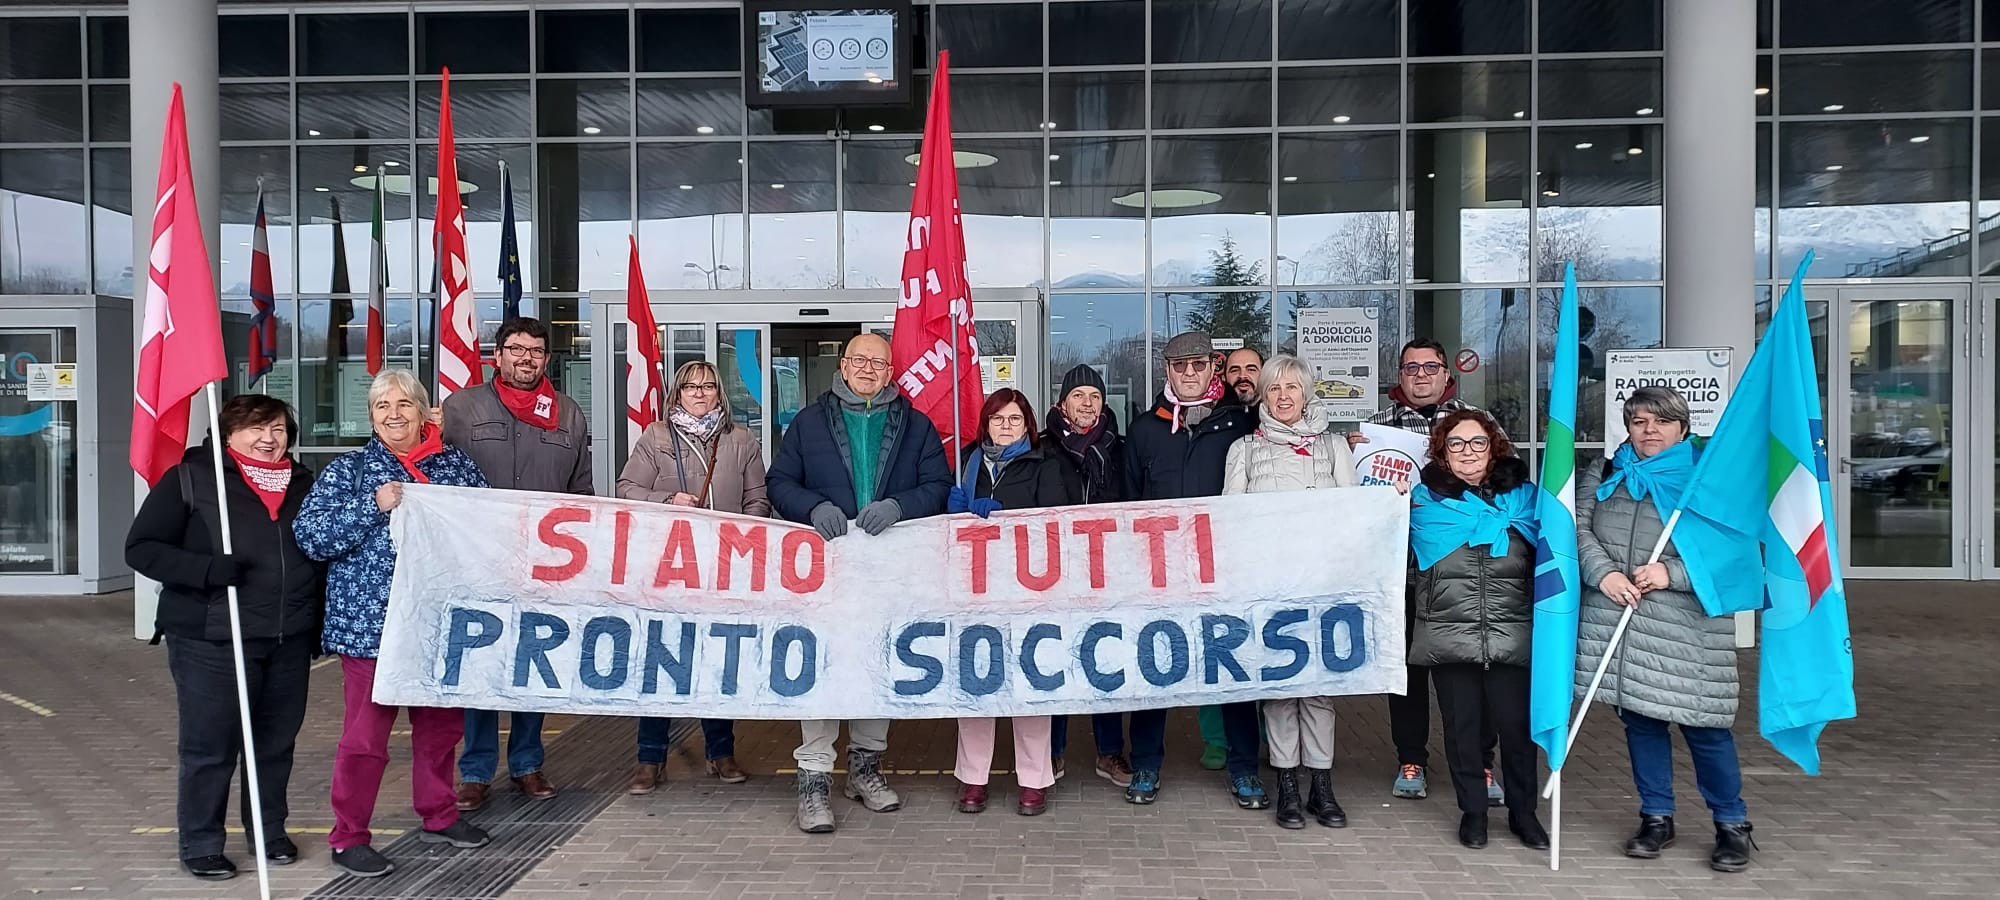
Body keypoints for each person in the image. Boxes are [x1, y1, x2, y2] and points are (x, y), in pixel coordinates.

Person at [294, 370, 493, 878]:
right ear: (372, 415)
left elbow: (488, 531)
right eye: (383, 406)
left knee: (440, 730)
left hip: (438, 625)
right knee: (365, 738)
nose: (394, 414)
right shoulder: (352, 471)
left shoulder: (456, 467)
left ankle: (439, 813)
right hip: (371, 628)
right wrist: (372, 506)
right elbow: (312, 536)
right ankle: (349, 836)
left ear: (426, 413)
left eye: (404, 404)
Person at [126, 395, 322, 881]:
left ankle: (268, 831)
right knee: (211, 745)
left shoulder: (303, 483)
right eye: (255, 428)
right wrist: (209, 570)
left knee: (274, 743)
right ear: (227, 435)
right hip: (213, 637)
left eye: (277, 428)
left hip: (287, 637)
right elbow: (142, 548)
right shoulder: (191, 479)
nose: (268, 438)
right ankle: (201, 841)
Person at [766, 332, 952, 833]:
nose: (868, 368)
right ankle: (814, 780)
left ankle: (865, 770)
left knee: (876, 665)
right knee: (825, 671)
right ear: (843, 365)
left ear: (892, 372)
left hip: (889, 575)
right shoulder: (807, 424)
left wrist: (900, 506)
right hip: (826, 576)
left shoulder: (916, 426)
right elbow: (779, 483)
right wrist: (813, 507)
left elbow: (938, 487)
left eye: (879, 362)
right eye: (859, 359)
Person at [1574, 386, 1755, 873]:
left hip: (1686, 629)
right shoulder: (1607, 472)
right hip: (1622, 621)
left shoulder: (1707, 478)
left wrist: (1670, 574)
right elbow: (1578, 529)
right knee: (1642, 723)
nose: (1648, 430)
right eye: (1638, 421)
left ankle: (1731, 823)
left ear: (1682, 427)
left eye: (1660, 422)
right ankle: (1656, 817)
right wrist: (1603, 574)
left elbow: (1733, 548)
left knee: (1705, 728)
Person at [440, 316, 591, 811]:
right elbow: (436, 477)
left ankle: (527, 763)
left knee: (535, 664)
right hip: (477, 562)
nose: (526, 358)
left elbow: (581, 490)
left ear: (547, 359)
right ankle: (476, 770)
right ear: (497, 355)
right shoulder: (461, 408)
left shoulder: (568, 413)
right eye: (516, 349)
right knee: (481, 666)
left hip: (544, 564)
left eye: (535, 351)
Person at [1348, 338, 1499, 804]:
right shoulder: (1375, 426)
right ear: (1399, 373)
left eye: (1429, 367)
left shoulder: (1477, 422)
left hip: (1461, 573)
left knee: (1473, 670)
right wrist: (1355, 456)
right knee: (1407, 670)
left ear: (1445, 372)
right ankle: (1410, 756)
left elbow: (1501, 481)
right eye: (1410, 368)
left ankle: (1481, 763)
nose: (1420, 375)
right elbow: (1359, 497)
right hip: (1400, 569)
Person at [1120, 330, 1261, 808]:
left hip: (1225, 570)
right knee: (1153, 667)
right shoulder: (1144, 429)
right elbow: (1125, 503)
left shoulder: (1241, 423)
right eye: (1179, 366)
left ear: (1212, 368)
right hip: (1159, 572)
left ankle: (1244, 769)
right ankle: (1145, 764)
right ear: (1167, 371)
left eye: (1197, 365)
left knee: (1232, 669)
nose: (1188, 373)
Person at [617, 359, 769, 793]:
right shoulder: (657, 436)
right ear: (676, 394)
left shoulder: (740, 440)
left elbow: (758, 498)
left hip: (722, 567)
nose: (699, 394)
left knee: (718, 662)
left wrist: (742, 534)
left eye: (707, 387)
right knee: (663, 660)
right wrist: (668, 499)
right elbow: (627, 489)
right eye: (690, 387)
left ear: (720, 394)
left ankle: (720, 752)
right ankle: (651, 758)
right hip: (671, 566)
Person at [1221, 355, 1357, 830]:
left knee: (1319, 690)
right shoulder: (1244, 449)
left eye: (1292, 389)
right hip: (1270, 585)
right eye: (1274, 389)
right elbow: (1231, 521)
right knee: (1279, 688)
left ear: (1307, 395)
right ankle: (1287, 786)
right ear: (1262, 395)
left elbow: (1353, 518)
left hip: (1322, 584)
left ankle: (1322, 784)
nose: (1283, 397)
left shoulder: (1335, 447)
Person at [1406, 410, 1548, 851]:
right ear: (1442, 453)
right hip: (1450, 633)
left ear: (1494, 448)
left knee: (1517, 730)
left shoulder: (1527, 502)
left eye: (1477, 443)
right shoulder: (1422, 503)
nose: (1468, 452)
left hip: (1512, 631)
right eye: (1457, 444)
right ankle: (1474, 813)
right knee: (1462, 731)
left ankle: (1525, 814)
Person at [949, 388, 1082, 817]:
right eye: (997, 419)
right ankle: (973, 778)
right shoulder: (967, 465)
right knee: (977, 686)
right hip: (976, 593)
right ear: (985, 423)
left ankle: (1033, 779)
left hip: (1028, 595)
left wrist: (1004, 513)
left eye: (1015, 420)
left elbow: (1055, 522)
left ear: (1028, 425)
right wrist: (948, 510)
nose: (1005, 427)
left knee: (1029, 688)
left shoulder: (1045, 466)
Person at [1041, 364, 1136, 788]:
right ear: (1063, 402)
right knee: (1054, 659)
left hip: (1106, 573)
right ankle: (1052, 751)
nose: (1086, 403)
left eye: (1094, 396)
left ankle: (1109, 751)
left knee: (1106, 659)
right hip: (1053, 573)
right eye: (1078, 395)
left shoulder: (1120, 448)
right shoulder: (1042, 447)